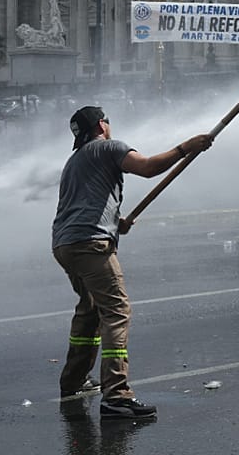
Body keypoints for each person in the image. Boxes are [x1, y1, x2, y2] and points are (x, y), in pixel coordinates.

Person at [51, 105, 212, 421]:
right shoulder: (109, 146)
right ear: (102, 124)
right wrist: (186, 147)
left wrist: (116, 222)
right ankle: (117, 396)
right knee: (117, 312)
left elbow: (84, 203)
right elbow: (149, 167)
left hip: (65, 244)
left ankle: (73, 381)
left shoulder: (75, 161)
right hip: (90, 244)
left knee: (89, 310)